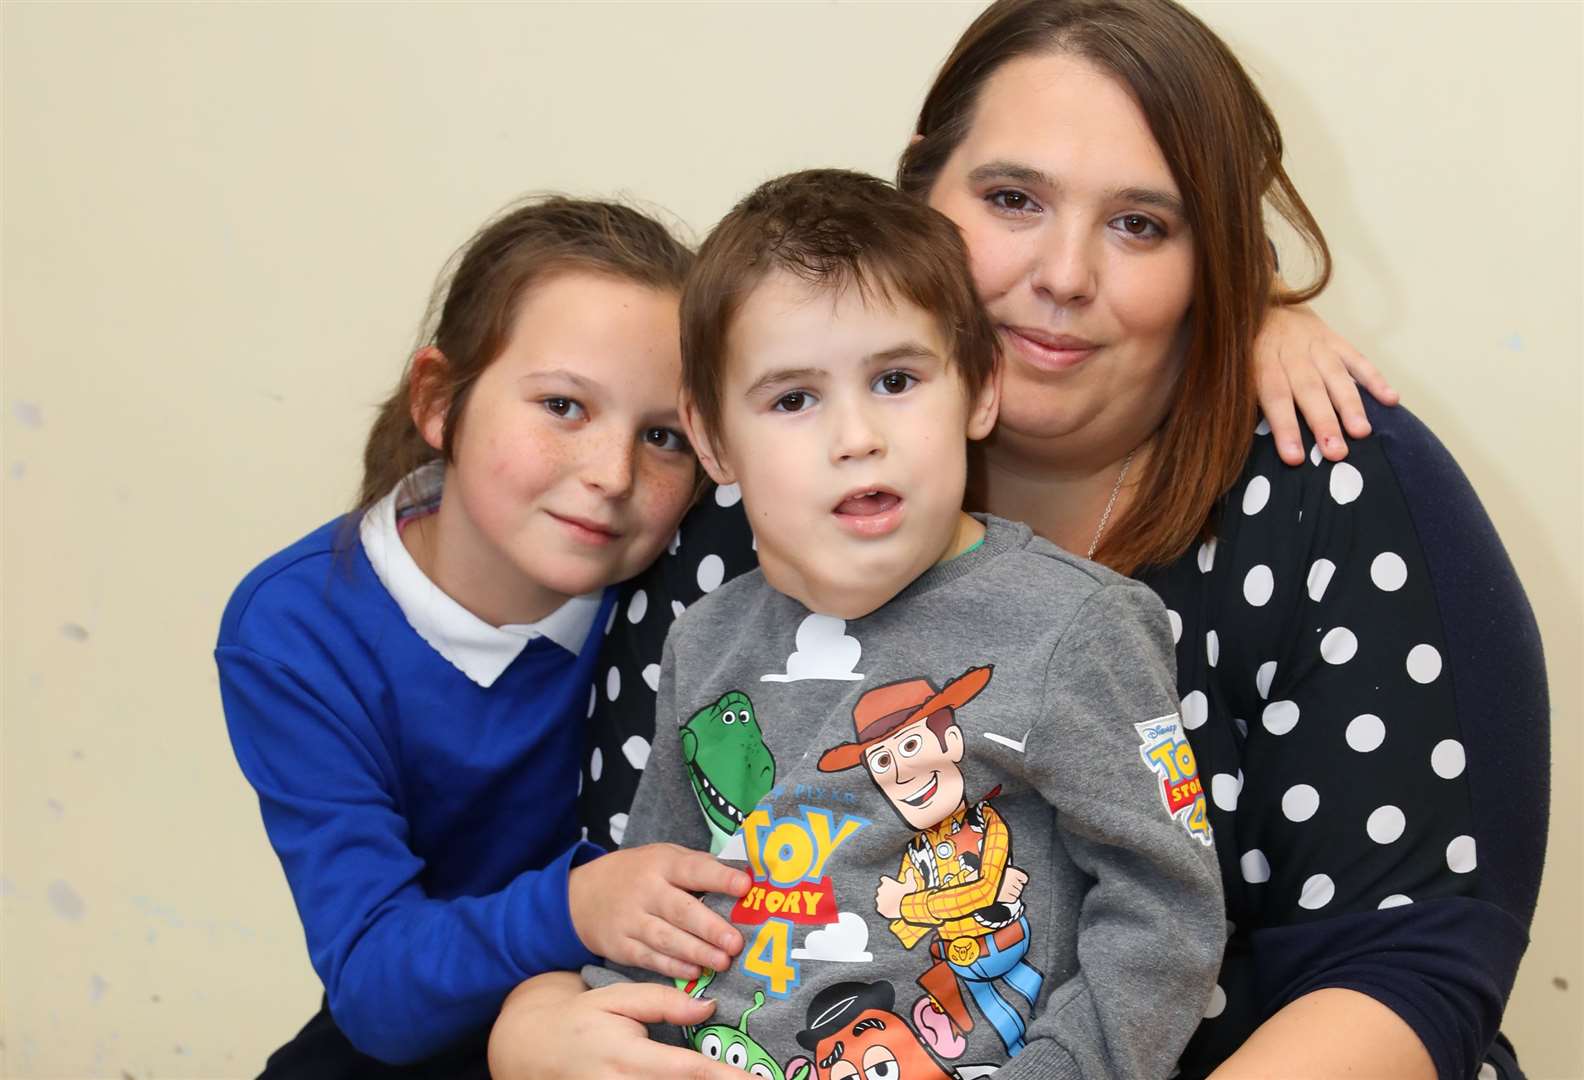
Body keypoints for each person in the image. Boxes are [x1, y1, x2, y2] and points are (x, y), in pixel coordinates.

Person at [499, 2, 1549, 1079]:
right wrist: (536, 1027)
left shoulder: (1323, 473)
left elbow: (1416, 958)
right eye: (1012, 199)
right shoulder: (748, 508)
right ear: (917, 194)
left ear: (1212, 259)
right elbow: (614, 883)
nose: (1064, 274)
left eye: (1143, 224)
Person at [579, 168, 1225, 1080]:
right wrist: (602, 1031)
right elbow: (660, 899)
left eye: (894, 379)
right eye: (793, 399)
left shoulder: (1075, 626)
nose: (856, 436)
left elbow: (1167, 911)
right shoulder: (705, 639)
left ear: (978, 390)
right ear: (714, 440)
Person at [214, 197, 753, 1075]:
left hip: (634, 1017)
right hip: (418, 1025)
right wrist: (574, 909)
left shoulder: (700, 587)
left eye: (663, 437)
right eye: (564, 406)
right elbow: (377, 992)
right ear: (439, 401)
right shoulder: (297, 627)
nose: (612, 474)